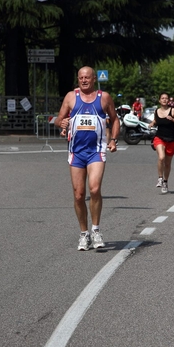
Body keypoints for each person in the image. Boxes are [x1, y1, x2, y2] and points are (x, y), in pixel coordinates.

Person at [54, 66, 120, 251]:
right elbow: (58, 119)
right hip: (76, 152)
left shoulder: (103, 97)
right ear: (78, 79)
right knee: (78, 194)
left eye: (87, 78)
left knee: (95, 188)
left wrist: (113, 140)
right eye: (81, 77)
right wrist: (63, 123)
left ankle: (96, 230)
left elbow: (115, 119)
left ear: (93, 79)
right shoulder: (70, 97)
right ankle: (84, 234)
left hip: (96, 151)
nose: (84, 80)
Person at [148, 92, 174, 194]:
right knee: (161, 157)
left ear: (168, 101)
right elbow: (156, 120)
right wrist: (152, 123)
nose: (164, 100)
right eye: (162, 98)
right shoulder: (157, 111)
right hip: (159, 138)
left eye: (166, 98)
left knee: (167, 164)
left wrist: (173, 119)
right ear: (159, 100)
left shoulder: (173, 111)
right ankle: (160, 178)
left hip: (171, 139)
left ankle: (165, 182)